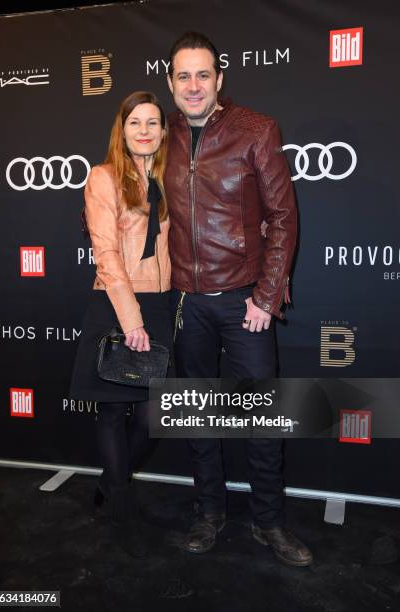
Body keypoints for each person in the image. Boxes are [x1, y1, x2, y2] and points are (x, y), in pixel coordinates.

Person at [164, 32, 313, 566]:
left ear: (220, 79)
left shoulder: (256, 129)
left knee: (261, 419)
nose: (194, 85)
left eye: (204, 74)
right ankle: (209, 512)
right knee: (198, 417)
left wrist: (265, 297)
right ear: (171, 82)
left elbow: (282, 218)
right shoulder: (164, 136)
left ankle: (269, 523)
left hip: (244, 303)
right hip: (187, 303)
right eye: (184, 75)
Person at [70, 91, 172, 557]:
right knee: (112, 411)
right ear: (122, 128)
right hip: (116, 303)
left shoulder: (171, 180)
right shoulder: (104, 178)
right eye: (135, 122)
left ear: (164, 131)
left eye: (153, 122)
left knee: (152, 416)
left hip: (162, 305)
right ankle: (122, 507)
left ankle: (113, 483)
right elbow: (107, 254)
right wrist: (130, 318)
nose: (145, 131)